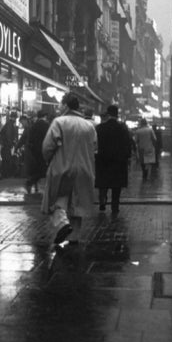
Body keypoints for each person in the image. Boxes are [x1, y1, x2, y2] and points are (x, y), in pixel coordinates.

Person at [41, 93, 97, 246]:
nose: (58, 107)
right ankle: (74, 238)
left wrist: (49, 161)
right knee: (77, 205)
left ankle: (62, 225)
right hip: (84, 169)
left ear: (65, 106)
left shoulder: (59, 122)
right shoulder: (89, 126)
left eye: (60, 104)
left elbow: (47, 147)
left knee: (56, 200)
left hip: (62, 168)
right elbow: (94, 147)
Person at [95, 104, 132, 213]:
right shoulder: (123, 128)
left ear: (108, 113)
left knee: (103, 183)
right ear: (117, 114)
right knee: (117, 185)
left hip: (103, 160)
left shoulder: (100, 128)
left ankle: (102, 200)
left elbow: (95, 144)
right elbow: (127, 144)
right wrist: (128, 157)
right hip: (118, 161)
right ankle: (115, 206)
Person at [24, 110, 50, 193]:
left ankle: (33, 184)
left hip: (34, 151)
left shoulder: (33, 126)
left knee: (37, 169)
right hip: (44, 150)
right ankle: (31, 182)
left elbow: (30, 139)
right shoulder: (47, 126)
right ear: (45, 116)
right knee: (43, 170)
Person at [0, 111, 18, 177]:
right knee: (7, 160)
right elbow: (8, 135)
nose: (15, 119)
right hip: (7, 145)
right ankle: (6, 174)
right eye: (15, 118)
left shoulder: (8, 124)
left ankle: (6, 174)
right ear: (14, 118)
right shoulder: (10, 125)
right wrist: (11, 144)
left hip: (6, 145)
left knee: (6, 160)